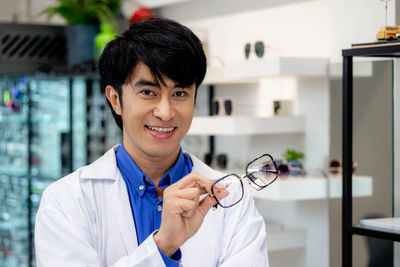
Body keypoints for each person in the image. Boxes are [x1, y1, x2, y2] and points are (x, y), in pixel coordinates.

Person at [35, 18, 268, 267]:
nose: (165, 113)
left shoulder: (232, 200)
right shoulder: (66, 202)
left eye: (179, 94)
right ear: (115, 99)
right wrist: (163, 246)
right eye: (148, 92)